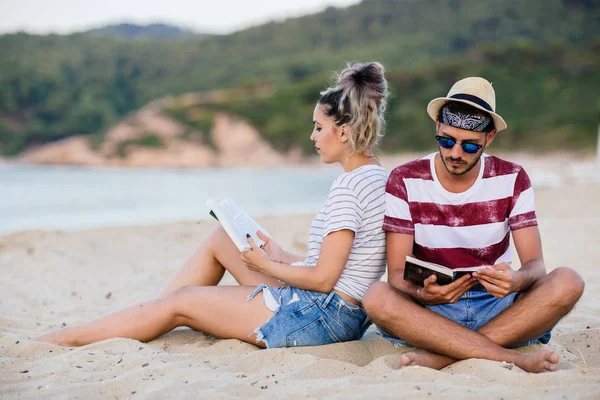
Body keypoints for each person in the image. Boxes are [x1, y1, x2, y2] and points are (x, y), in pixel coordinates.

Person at [36, 62, 390, 349]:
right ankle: (151, 314)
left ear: (343, 132)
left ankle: (71, 336)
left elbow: (324, 279)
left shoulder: (348, 186)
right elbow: (344, 266)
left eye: (318, 127)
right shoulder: (375, 176)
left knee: (183, 301)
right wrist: (282, 257)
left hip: (320, 316)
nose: (312, 136)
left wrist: (266, 264)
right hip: (337, 311)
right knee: (223, 237)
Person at [362, 77, 585, 373]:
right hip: (432, 311)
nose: (455, 153)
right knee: (376, 297)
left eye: (470, 145)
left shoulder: (513, 178)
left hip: (500, 307)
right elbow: (397, 275)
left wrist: (518, 280)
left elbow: (535, 265)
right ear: (437, 127)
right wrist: (421, 294)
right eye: (446, 141)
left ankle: (446, 356)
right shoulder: (404, 179)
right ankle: (513, 356)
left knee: (569, 281)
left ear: (489, 138)